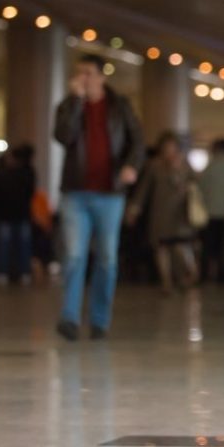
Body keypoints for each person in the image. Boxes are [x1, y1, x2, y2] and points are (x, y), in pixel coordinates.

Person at [53, 54, 144, 341]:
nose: (83, 78)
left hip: (110, 193)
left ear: (102, 77)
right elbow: (63, 136)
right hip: (75, 192)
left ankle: (99, 320)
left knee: (107, 258)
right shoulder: (68, 106)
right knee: (74, 256)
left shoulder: (120, 106)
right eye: (79, 73)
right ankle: (69, 318)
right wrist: (76, 102)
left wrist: (131, 166)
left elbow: (137, 140)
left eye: (89, 73)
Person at [127, 132, 199, 294]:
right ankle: (166, 282)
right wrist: (135, 208)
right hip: (160, 212)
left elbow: (197, 183)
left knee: (181, 246)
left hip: (180, 214)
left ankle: (188, 275)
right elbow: (143, 190)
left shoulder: (184, 164)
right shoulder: (154, 166)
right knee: (161, 248)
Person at [0, 148, 36, 285]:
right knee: (17, 246)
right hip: (16, 215)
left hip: (9, 216)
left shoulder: (2, 175)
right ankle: (19, 273)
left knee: (8, 246)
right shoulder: (26, 174)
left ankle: (5, 273)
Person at [198, 139, 224, 283]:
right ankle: (223, 274)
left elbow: (201, 188)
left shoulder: (210, 167)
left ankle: (210, 273)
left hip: (209, 212)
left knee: (209, 246)